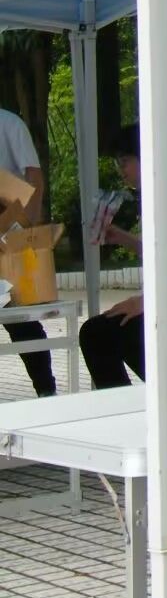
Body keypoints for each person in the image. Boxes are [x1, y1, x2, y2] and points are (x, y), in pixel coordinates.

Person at [79, 122, 167, 388]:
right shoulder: (164, 195)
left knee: (96, 333)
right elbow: (166, 252)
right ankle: (161, 393)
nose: (121, 170)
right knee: (104, 331)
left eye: (125, 161)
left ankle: (163, 393)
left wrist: (149, 302)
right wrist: (123, 238)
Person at [0, 104, 56, 397]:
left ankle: (46, 390)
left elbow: (35, 180)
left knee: (21, 322)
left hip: (11, 231)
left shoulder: (9, 123)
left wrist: (26, 232)